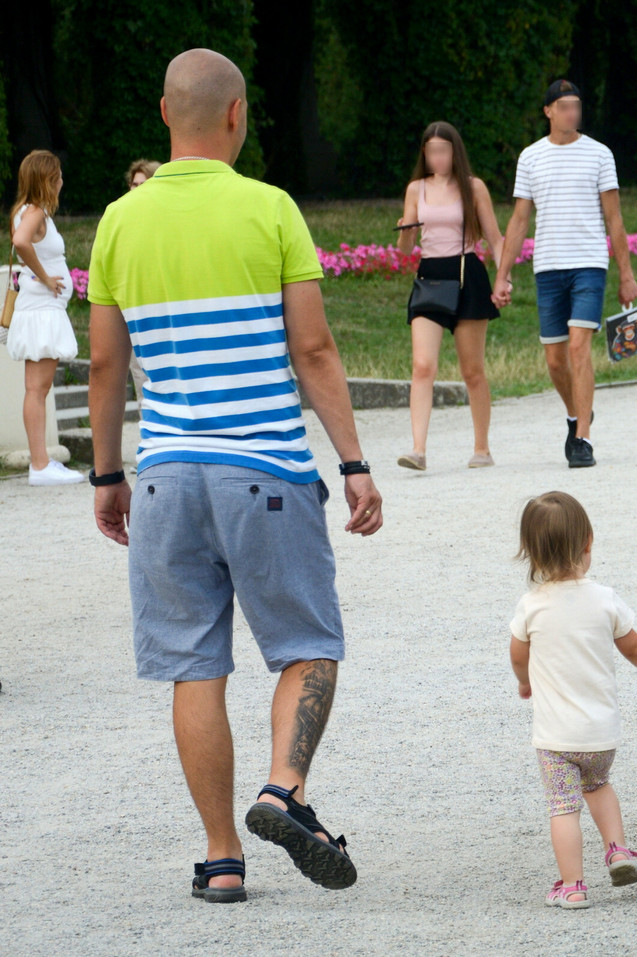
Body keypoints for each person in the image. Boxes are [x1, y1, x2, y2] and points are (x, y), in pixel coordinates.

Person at [86, 48, 383, 903]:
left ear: (164, 114)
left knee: (193, 667)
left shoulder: (117, 222)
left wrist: (110, 474)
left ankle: (222, 858)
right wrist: (354, 462)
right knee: (309, 643)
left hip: (165, 476)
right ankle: (281, 790)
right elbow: (315, 348)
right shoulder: (270, 209)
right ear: (235, 113)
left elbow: (107, 366)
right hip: (266, 470)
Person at [509, 491, 637, 909]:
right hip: (601, 736)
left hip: (555, 738)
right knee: (599, 785)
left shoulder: (532, 607)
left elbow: (518, 656)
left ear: (530, 552)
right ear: (588, 542)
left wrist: (524, 682)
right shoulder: (605, 599)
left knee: (563, 806)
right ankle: (618, 849)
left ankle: (572, 886)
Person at [492, 80, 637, 469]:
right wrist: (502, 275)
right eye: (564, 107)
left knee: (579, 346)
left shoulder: (599, 154)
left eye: (576, 106)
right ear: (548, 112)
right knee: (556, 360)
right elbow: (520, 218)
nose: (572, 113)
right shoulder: (531, 157)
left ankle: (583, 441)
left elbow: (615, 218)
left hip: (589, 263)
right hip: (548, 267)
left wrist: (626, 275)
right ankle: (578, 415)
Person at [394, 121, 505, 471]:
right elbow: (405, 250)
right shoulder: (416, 189)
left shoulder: (473, 187)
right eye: (431, 151)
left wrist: (503, 279)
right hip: (430, 276)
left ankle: (482, 447)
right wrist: (404, 232)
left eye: (443, 150)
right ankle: (418, 449)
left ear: (455, 152)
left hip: (466, 272)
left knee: (472, 369)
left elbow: (495, 238)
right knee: (422, 365)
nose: (437, 157)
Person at [7, 149, 86, 485]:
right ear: (48, 179)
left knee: (35, 389)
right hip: (41, 310)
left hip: (40, 309)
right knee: (37, 389)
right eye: (58, 175)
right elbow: (20, 241)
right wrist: (43, 275)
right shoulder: (35, 212)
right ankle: (40, 465)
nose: (62, 180)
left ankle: (40, 463)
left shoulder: (27, 210)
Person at [124, 159, 161, 403]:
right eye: (133, 185)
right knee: (139, 376)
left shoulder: (168, 220)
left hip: (166, 310)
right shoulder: (123, 221)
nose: (135, 190)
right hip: (136, 309)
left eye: (142, 185)